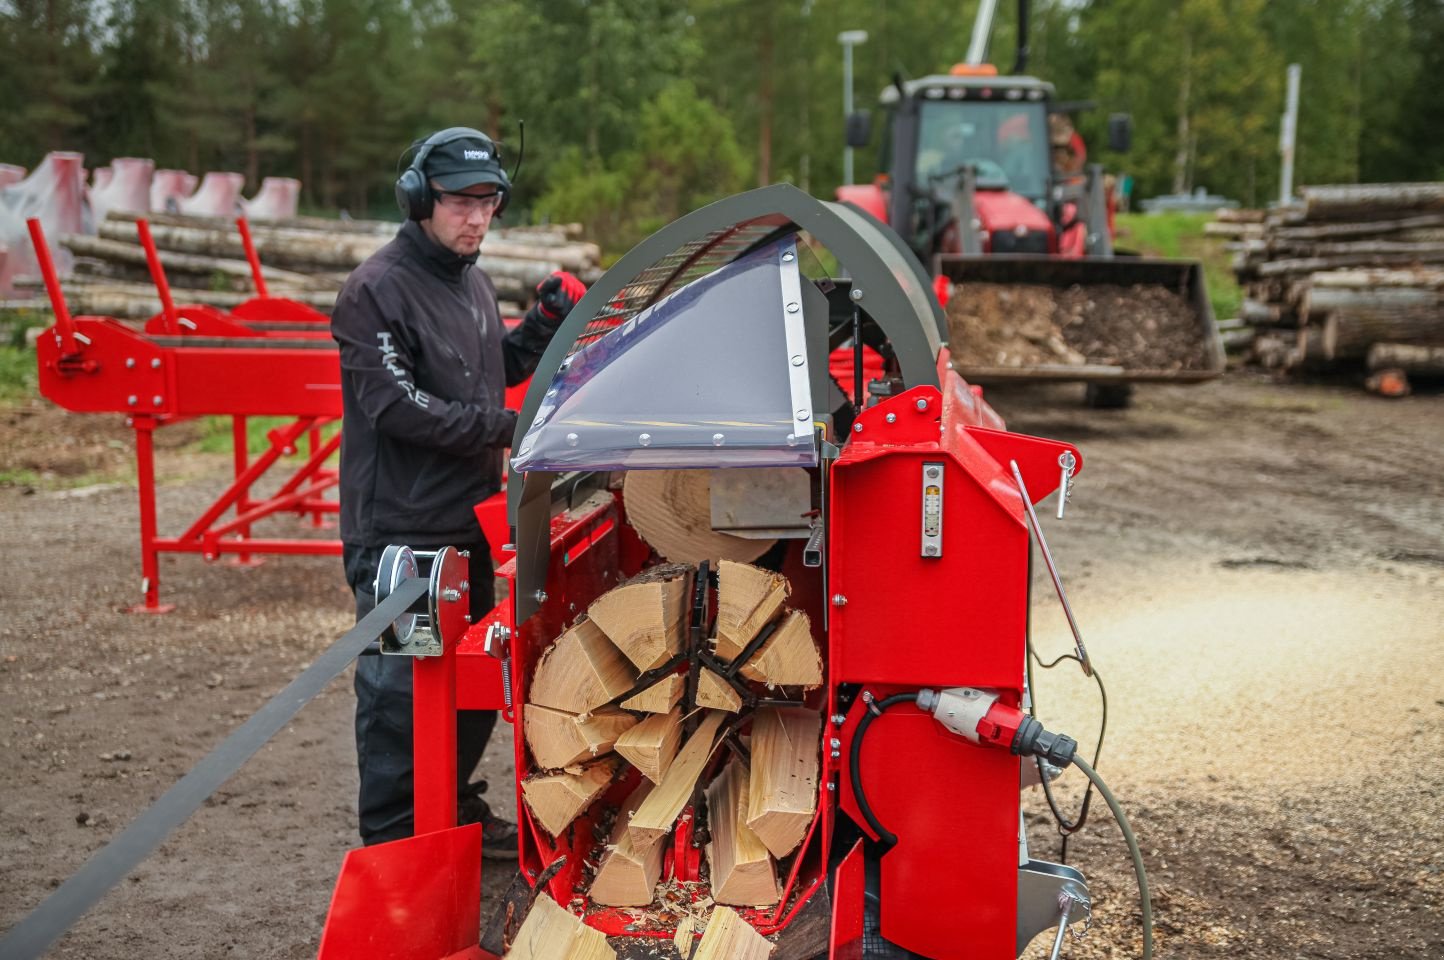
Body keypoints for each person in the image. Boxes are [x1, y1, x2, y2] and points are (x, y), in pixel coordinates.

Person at [330, 126, 584, 851]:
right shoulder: (373, 292)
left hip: (468, 526)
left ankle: (454, 809)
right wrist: (509, 429)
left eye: (489, 203)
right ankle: (395, 846)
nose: (476, 219)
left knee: (474, 683)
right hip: (401, 540)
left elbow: (481, 369)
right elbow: (399, 407)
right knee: (397, 701)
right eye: (459, 203)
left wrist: (536, 330)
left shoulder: (468, 280)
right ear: (418, 199)